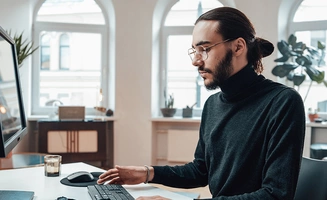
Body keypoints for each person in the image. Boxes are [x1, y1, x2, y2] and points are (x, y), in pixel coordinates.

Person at [97, 7, 306, 200]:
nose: (196, 61)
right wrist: (147, 173)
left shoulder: (283, 102)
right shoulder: (213, 104)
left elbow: (275, 195)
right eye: (194, 51)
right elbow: (199, 171)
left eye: (205, 49)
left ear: (238, 47)